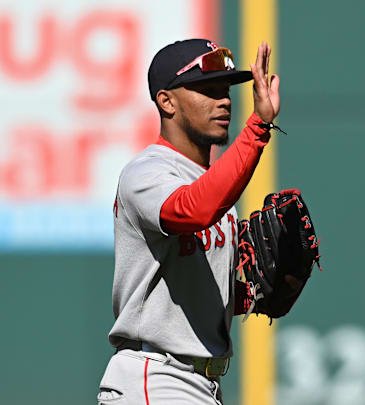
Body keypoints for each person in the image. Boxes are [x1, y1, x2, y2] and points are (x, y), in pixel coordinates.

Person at [97, 38, 280, 405]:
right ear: (166, 101)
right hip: (155, 374)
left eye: (225, 90)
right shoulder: (147, 173)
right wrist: (257, 127)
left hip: (199, 382)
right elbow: (191, 210)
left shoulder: (214, 188)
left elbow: (193, 298)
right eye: (207, 90)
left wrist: (260, 294)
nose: (224, 100)